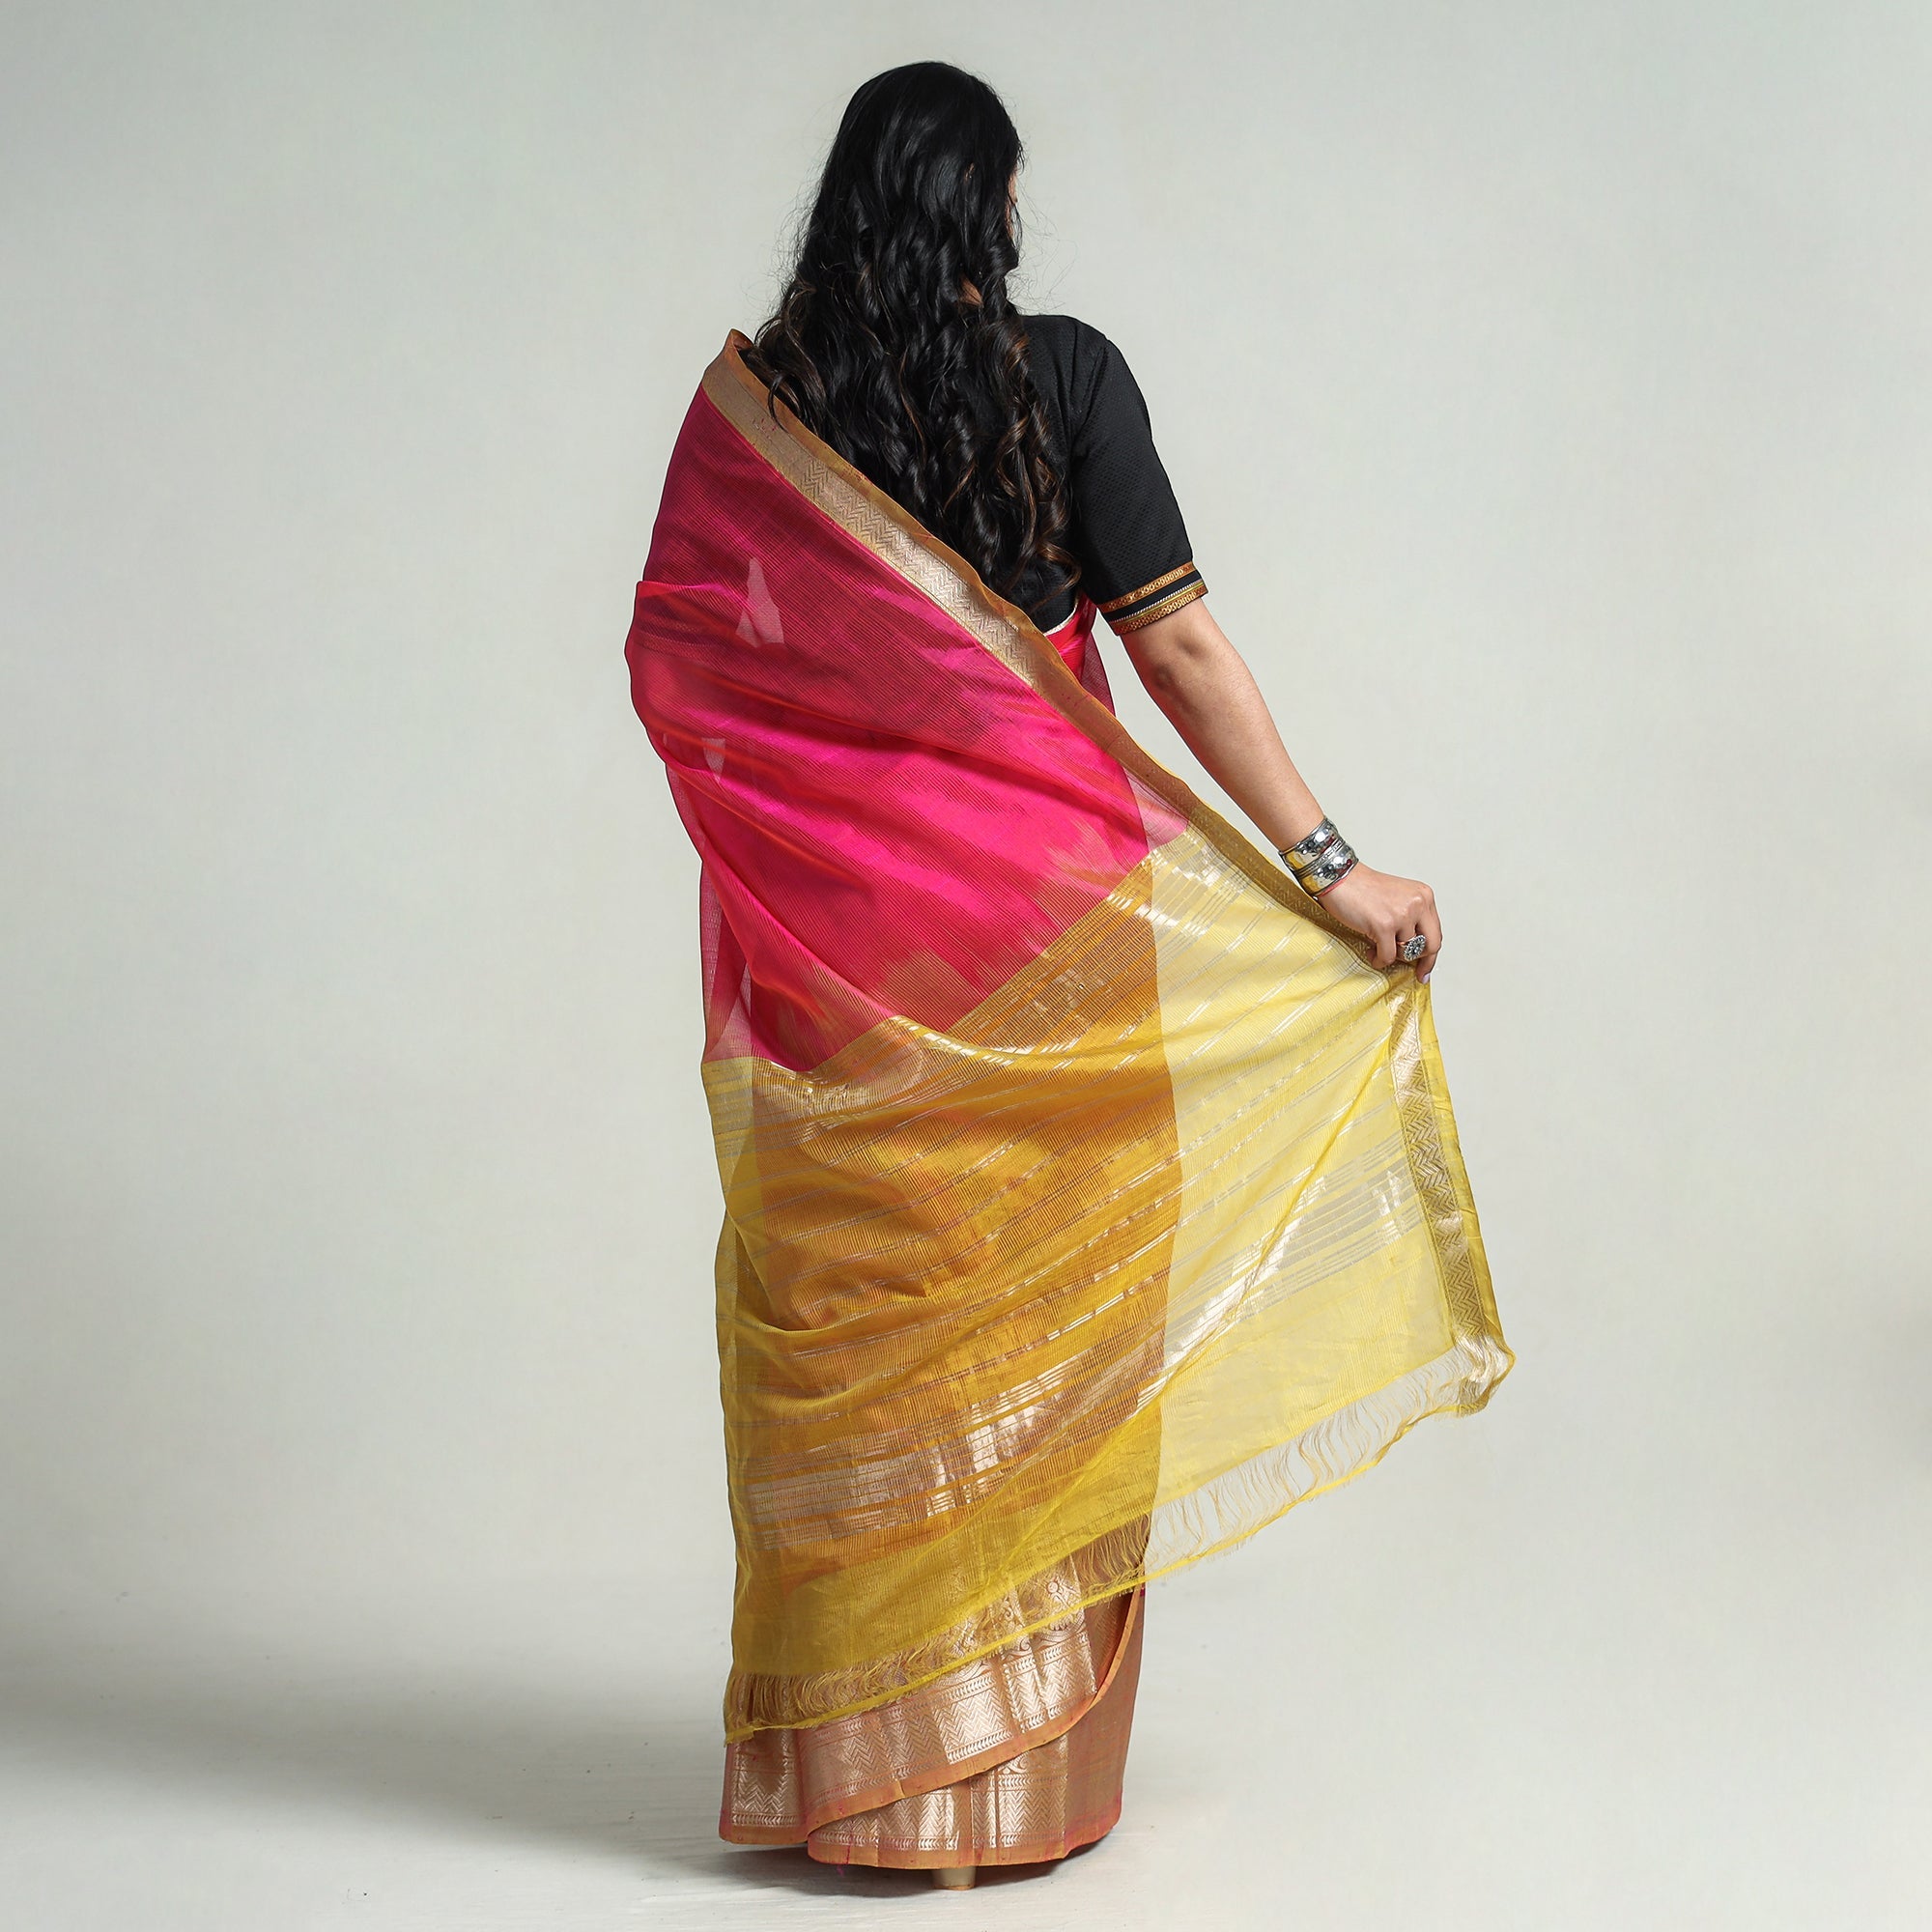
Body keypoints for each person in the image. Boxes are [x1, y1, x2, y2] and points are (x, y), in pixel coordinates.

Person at [625, 61, 1511, 1889]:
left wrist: (825, 839)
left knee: (879, 1330)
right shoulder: (1067, 377)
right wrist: (1331, 873)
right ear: (992, 205)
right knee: (1049, 1322)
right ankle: (1005, 1790)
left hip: (843, 969)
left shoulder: (765, 418)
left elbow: (694, 674)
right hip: (1054, 939)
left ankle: (870, 1790)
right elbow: (1175, 649)